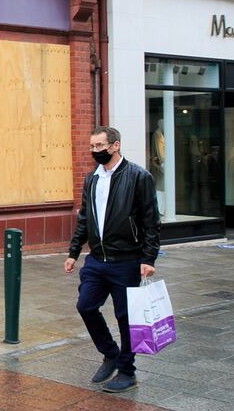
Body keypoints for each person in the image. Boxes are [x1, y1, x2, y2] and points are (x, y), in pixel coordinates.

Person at [64, 126, 161, 393]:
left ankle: (128, 372)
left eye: (100, 146)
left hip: (126, 260)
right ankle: (110, 353)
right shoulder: (91, 179)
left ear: (115, 145)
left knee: (125, 317)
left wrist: (149, 257)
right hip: (96, 259)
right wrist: (74, 252)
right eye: (92, 147)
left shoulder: (139, 177)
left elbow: (151, 221)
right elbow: (84, 218)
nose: (95, 151)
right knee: (85, 306)